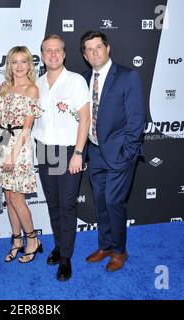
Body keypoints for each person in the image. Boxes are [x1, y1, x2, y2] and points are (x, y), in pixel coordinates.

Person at [80, 31, 146, 272]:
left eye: (98, 47)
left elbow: (136, 119)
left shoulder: (128, 76)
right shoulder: (84, 78)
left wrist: (127, 153)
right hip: (94, 152)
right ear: (85, 56)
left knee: (113, 201)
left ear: (107, 49)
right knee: (100, 202)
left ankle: (119, 251)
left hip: (119, 153)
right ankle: (105, 245)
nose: (94, 52)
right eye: (89, 49)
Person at [32, 34, 90, 281]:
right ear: (42, 55)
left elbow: (85, 119)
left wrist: (78, 152)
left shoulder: (75, 81)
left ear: (64, 54)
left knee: (67, 206)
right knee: (54, 203)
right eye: (48, 50)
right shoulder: (38, 82)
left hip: (69, 151)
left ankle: (66, 257)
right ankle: (59, 245)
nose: (53, 54)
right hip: (45, 149)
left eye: (57, 50)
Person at [0, 46, 42, 264]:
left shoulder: (31, 89)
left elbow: (25, 128)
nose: (19, 66)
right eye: (14, 62)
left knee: (17, 197)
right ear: (9, 65)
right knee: (8, 196)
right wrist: (2, 151)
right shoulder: (5, 88)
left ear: (29, 65)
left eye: (23, 61)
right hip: (4, 143)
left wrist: (12, 157)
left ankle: (32, 239)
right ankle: (17, 240)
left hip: (21, 149)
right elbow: (4, 125)